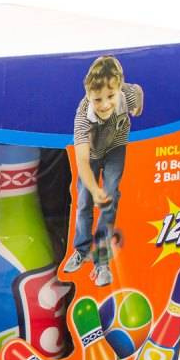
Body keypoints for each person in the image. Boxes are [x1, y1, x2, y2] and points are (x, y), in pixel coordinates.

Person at [63, 56, 143, 286]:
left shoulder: (126, 94)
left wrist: (137, 108)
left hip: (115, 147)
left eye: (110, 96)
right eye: (97, 99)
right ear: (88, 95)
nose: (105, 104)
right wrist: (93, 188)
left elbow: (138, 92)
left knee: (110, 199)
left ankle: (101, 262)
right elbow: (82, 161)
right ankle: (81, 250)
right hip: (91, 155)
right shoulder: (82, 118)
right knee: (84, 201)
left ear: (119, 89)